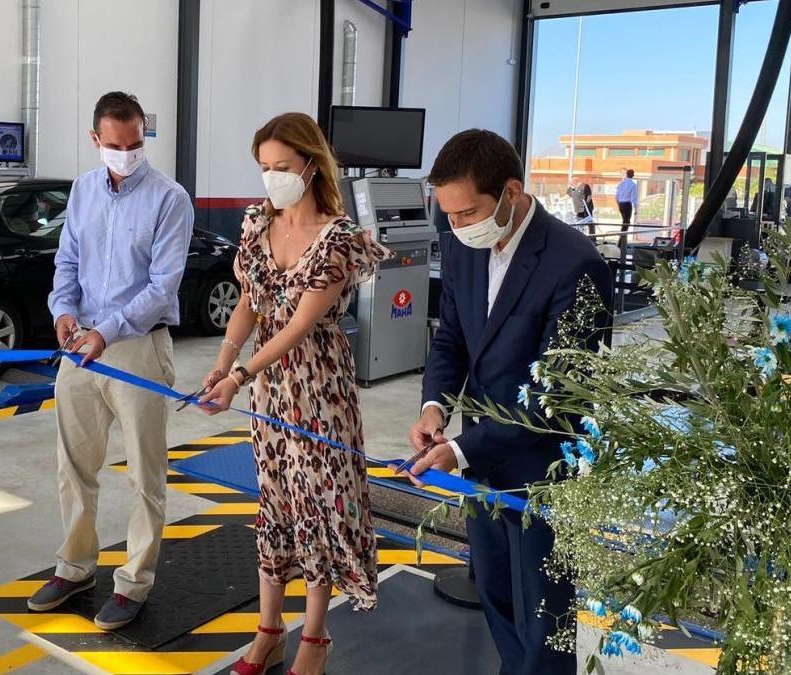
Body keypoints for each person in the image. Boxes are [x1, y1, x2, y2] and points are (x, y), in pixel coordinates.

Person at [406, 129, 612, 675]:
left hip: (544, 470)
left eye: (468, 211)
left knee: (545, 615)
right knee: (496, 593)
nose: (457, 225)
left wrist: (458, 449)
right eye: (447, 214)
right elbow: (451, 339)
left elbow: (557, 398)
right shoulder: (460, 246)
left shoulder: (575, 264)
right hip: (479, 461)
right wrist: (434, 409)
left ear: (512, 192)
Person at [195, 112, 388, 675]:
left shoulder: (339, 238)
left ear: (310, 163)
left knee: (319, 507)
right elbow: (250, 302)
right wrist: (222, 363)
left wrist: (239, 377)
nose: (272, 178)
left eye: (281, 166)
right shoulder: (258, 223)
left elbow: (298, 326)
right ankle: (268, 628)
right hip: (269, 389)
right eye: (264, 168)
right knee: (275, 501)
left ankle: (314, 638)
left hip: (318, 388)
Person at [27, 91, 194, 631]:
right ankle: (75, 566)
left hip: (138, 346)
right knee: (73, 465)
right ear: (95, 141)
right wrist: (63, 310)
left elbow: (163, 284)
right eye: (115, 145)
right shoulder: (81, 190)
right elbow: (68, 260)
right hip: (80, 345)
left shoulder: (170, 199)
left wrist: (107, 330)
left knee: (145, 473)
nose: (127, 153)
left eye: (136, 143)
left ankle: (134, 582)